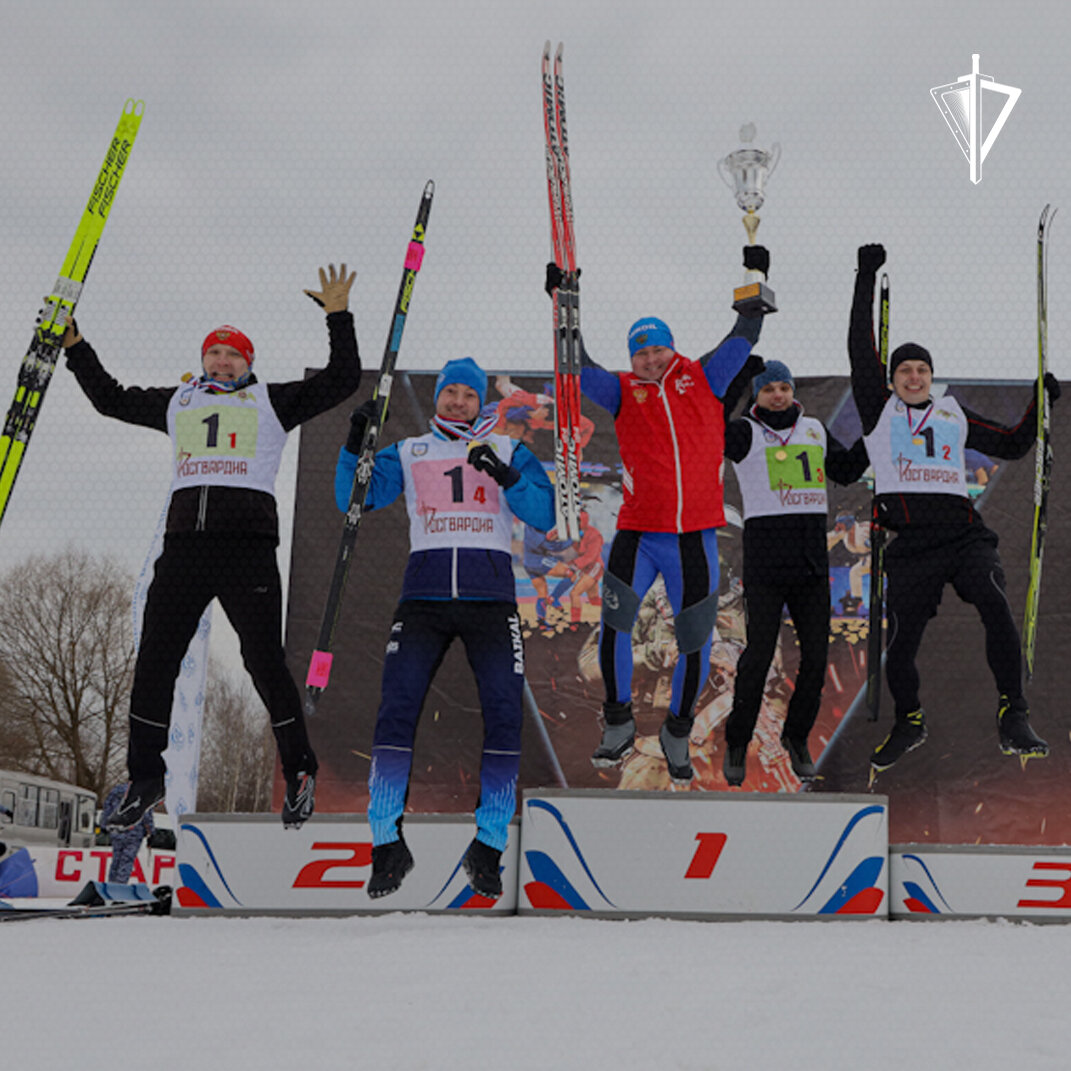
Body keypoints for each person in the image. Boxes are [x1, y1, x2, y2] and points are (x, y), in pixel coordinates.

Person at [63, 264, 361, 831]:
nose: (223, 362)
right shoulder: (178, 402)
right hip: (184, 551)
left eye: (234, 355)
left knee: (263, 662)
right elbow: (109, 399)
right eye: (215, 354)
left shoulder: (273, 402)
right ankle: (146, 778)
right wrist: (75, 346)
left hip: (245, 549)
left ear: (249, 364)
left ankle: (299, 770)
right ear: (204, 361)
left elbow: (342, 378)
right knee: (154, 661)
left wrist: (338, 315)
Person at [546, 248, 768, 784]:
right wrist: (561, 303)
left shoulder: (704, 377)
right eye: (640, 351)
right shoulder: (624, 391)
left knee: (695, 640)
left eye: (657, 347)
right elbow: (577, 364)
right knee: (615, 625)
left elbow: (748, 329)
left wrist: (756, 273)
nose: (649, 358)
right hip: (639, 533)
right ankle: (618, 721)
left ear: (673, 347)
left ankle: (677, 728)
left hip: (692, 536)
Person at [335, 357, 554, 900]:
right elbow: (352, 500)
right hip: (424, 601)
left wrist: (506, 477)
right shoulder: (411, 451)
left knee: (505, 715)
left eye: (468, 395)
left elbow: (546, 512)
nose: (458, 402)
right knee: (396, 710)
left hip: (491, 602)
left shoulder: (508, 448)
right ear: (438, 399)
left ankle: (489, 843)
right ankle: (386, 841)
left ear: (483, 402)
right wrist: (353, 445)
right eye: (450, 392)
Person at [850, 243, 1059, 773]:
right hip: (912, 543)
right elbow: (859, 347)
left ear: (930, 374)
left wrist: (1041, 402)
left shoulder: (951, 412)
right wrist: (865, 277)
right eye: (905, 370)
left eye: (921, 369)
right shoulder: (879, 412)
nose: (914, 377)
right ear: (893, 378)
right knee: (901, 641)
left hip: (964, 535)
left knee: (994, 604)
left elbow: (1012, 444)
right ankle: (910, 720)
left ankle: (1014, 712)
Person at [722, 359, 868, 786]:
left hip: (809, 564)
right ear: (758, 395)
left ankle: (797, 736)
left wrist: (874, 433)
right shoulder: (746, 433)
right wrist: (734, 381)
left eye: (784, 388)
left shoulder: (814, 430)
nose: (779, 396)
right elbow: (712, 427)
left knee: (817, 660)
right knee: (758, 658)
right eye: (769, 390)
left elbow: (846, 470)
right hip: (766, 563)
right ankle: (737, 739)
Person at [100, 782, 154, 883]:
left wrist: (104, 825)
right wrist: (151, 832)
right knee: (126, 861)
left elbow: (107, 807)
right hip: (134, 831)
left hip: (117, 829)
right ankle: (119, 887)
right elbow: (146, 813)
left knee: (116, 860)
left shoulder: (117, 789)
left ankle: (111, 885)